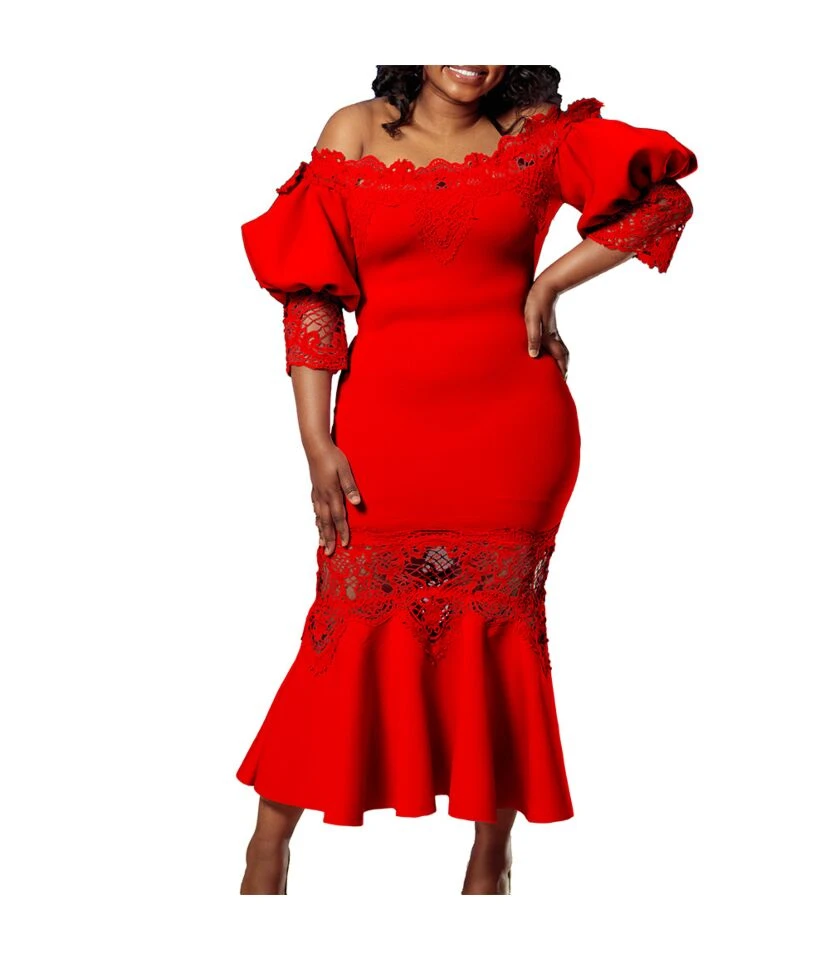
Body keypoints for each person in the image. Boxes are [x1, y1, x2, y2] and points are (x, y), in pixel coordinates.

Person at [236, 65, 698, 895]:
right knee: (343, 627)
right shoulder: (354, 130)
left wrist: (551, 282)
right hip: (384, 430)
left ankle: (492, 853)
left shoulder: (539, 133)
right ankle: (268, 846)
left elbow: (662, 200)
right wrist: (315, 439)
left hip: (511, 428)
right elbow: (310, 296)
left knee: (503, 637)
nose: (472, 58)